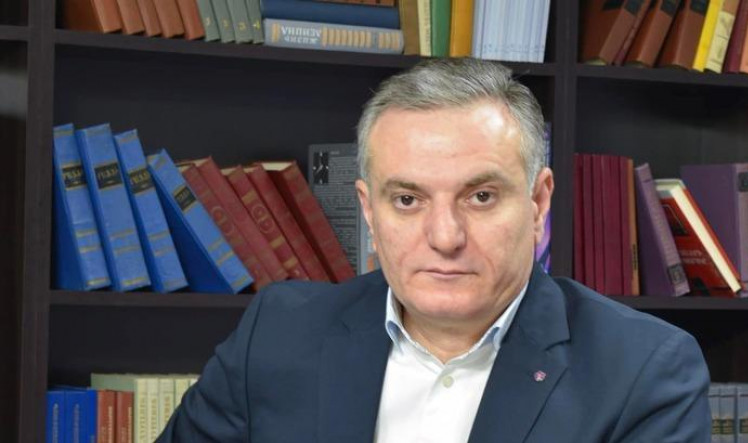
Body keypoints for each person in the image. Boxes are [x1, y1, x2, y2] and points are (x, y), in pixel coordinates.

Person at [158, 58, 711, 442]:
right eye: (407, 199)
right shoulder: (276, 334)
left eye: (481, 196)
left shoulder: (643, 369)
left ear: (539, 201)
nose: (445, 237)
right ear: (368, 210)